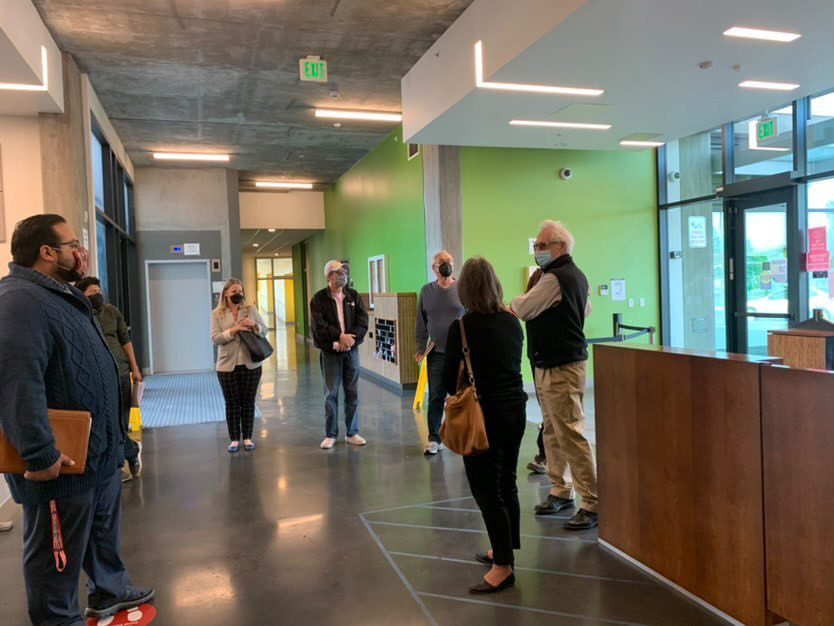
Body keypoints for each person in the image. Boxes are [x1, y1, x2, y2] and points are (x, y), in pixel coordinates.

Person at [0, 214, 153, 624]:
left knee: (102, 536)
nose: (80, 253)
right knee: (56, 561)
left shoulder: (61, 296)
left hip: (98, 457)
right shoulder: (18, 300)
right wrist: (39, 454)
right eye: (72, 245)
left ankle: (110, 591)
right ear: (47, 253)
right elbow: (16, 382)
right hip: (60, 467)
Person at [442, 257, 527, 594]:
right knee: (507, 482)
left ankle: (503, 566)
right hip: (516, 410)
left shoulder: (462, 328)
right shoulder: (511, 322)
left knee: (486, 490)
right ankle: (506, 548)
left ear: (465, 289)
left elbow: (449, 382)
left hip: (484, 416)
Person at [511, 220, 599, 531]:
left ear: (559, 247)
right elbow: (585, 310)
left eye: (542, 245)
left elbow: (523, 306)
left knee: (570, 433)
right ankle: (561, 489)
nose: (537, 251)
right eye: (536, 246)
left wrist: (514, 302)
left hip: (561, 365)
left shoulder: (555, 278)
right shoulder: (575, 276)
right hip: (553, 363)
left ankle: (592, 501)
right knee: (552, 430)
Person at [76, 277, 143, 482]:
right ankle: (128, 453)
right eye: (92, 292)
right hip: (96, 377)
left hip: (120, 372)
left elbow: (125, 340)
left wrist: (135, 368)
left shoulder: (112, 312)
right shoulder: (80, 314)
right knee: (106, 422)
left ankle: (120, 462)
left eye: (99, 291)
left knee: (120, 422)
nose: (97, 295)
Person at [310, 260, 369, 450]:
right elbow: (319, 328)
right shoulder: (319, 299)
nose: (342, 274)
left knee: (352, 392)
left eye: (343, 270)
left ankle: (352, 432)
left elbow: (362, 321)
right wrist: (339, 338)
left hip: (351, 352)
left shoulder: (353, 296)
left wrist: (351, 340)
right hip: (331, 353)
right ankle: (331, 434)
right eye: (337, 272)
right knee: (331, 394)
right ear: (328, 276)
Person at [415, 250, 465, 455]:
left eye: (449, 261)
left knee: (462, 396)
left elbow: (471, 317)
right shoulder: (426, 291)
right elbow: (421, 322)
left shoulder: (463, 288)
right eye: (442, 262)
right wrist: (419, 348)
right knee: (436, 396)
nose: (446, 265)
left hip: (461, 352)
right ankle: (434, 438)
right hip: (436, 353)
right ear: (434, 268)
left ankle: (464, 435)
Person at [211, 278, 267, 453]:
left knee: (248, 401)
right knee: (232, 403)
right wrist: (233, 331)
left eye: (240, 291)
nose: (238, 294)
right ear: (226, 293)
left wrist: (254, 325)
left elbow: (265, 330)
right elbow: (216, 338)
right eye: (234, 291)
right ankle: (234, 439)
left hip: (251, 364)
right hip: (227, 366)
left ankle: (248, 437)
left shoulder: (250, 310)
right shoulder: (217, 314)